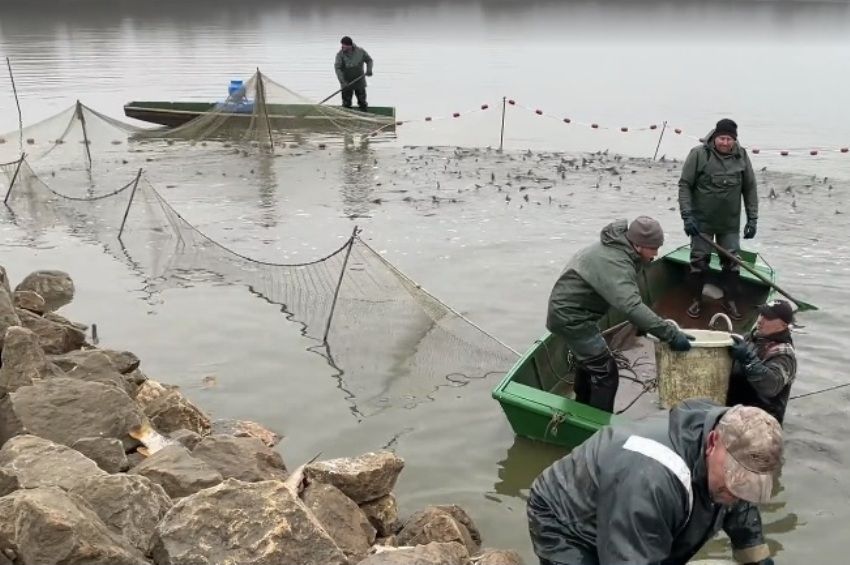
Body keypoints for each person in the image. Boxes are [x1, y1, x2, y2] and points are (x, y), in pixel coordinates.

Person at [527, 400, 782, 565]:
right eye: (734, 479)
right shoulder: (651, 480)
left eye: (748, 485)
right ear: (713, 442)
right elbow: (629, 558)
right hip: (567, 521)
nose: (737, 493)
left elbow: (741, 513)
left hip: (635, 508)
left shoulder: (734, 451)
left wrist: (758, 560)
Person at [546, 217, 694, 413]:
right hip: (571, 318)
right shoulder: (616, 262)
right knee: (606, 373)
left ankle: (582, 406)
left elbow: (629, 295)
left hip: (576, 313)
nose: (657, 253)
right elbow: (631, 306)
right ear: (639, 245)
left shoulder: (621, 250)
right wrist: (671, 334)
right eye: (654, 248)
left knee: (589, 364)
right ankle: (597, 426)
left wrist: (643, 324)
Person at [679, 118, 758, 321]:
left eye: (729, 139)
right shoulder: (698, 154)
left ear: (734, 140)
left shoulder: (742, 156)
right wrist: (687, 216)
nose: (724, 143)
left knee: (732, 262)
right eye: (721, 138)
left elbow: (750, 189)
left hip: (729, 223)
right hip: (700, 222)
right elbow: (685, 185)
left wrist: (752, 219)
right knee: (699, 261)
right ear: (715, 137)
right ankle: (696, 300)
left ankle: (729, 300)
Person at [727, 299, 798, 425]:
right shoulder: (749, 338)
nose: (760, 320)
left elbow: (770, 386)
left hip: (762, 425)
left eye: (768, 317)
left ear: (783, 325)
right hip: (733, 415)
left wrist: (748, 360)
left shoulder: (784, 354)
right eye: (761, 314)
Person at [334, 36, 373, 112]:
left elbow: (369, 60)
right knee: (346, 104)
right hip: (346, 83)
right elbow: (337, 69)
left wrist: (369, 70)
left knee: (362, 102)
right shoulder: (340, 55)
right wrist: (343, 82)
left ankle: (364, 115)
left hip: (360, 81)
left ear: (350, 45)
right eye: (342, 45)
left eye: (344, 45)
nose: (342, 47)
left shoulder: (360, 51)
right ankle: (347, 118)